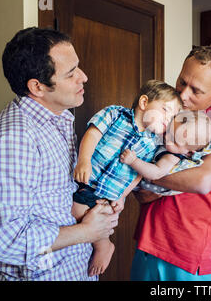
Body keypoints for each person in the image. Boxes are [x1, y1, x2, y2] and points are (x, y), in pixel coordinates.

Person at [0, 27, 120, 281]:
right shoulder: (14, 139)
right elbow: (7, 242)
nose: (84, 77)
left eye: (78, 67)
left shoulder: (59, 118)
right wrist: (87, 231)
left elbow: (59, 201)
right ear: (38, 87)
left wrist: (99, 208)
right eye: (71, 73)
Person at [130, 45, 211, 281]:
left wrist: (144, 174)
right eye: (182, 82)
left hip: (188, 249)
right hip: (148, 237)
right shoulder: (170, 105)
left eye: (196, 90)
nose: (184, 95)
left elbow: (203, 180)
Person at [72, 79, 182, 276]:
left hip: (110, 194)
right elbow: (93, 134)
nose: (169, 119)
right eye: (165, 110)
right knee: (75, 210)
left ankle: (103, 245)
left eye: (173, 116)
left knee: (100, 217)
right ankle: (103, 245)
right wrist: (84, 160)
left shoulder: (153, 144)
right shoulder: (115, 114)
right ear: (144, 103)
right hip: (87, 179)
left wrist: (122, 195)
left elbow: (138, 174)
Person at [120, 109, 211, 196]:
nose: (166, 138)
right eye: (169, 131)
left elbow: (155, 173)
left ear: (188, 153)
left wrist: (134, 161)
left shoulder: (171, 157)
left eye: (174, 141)